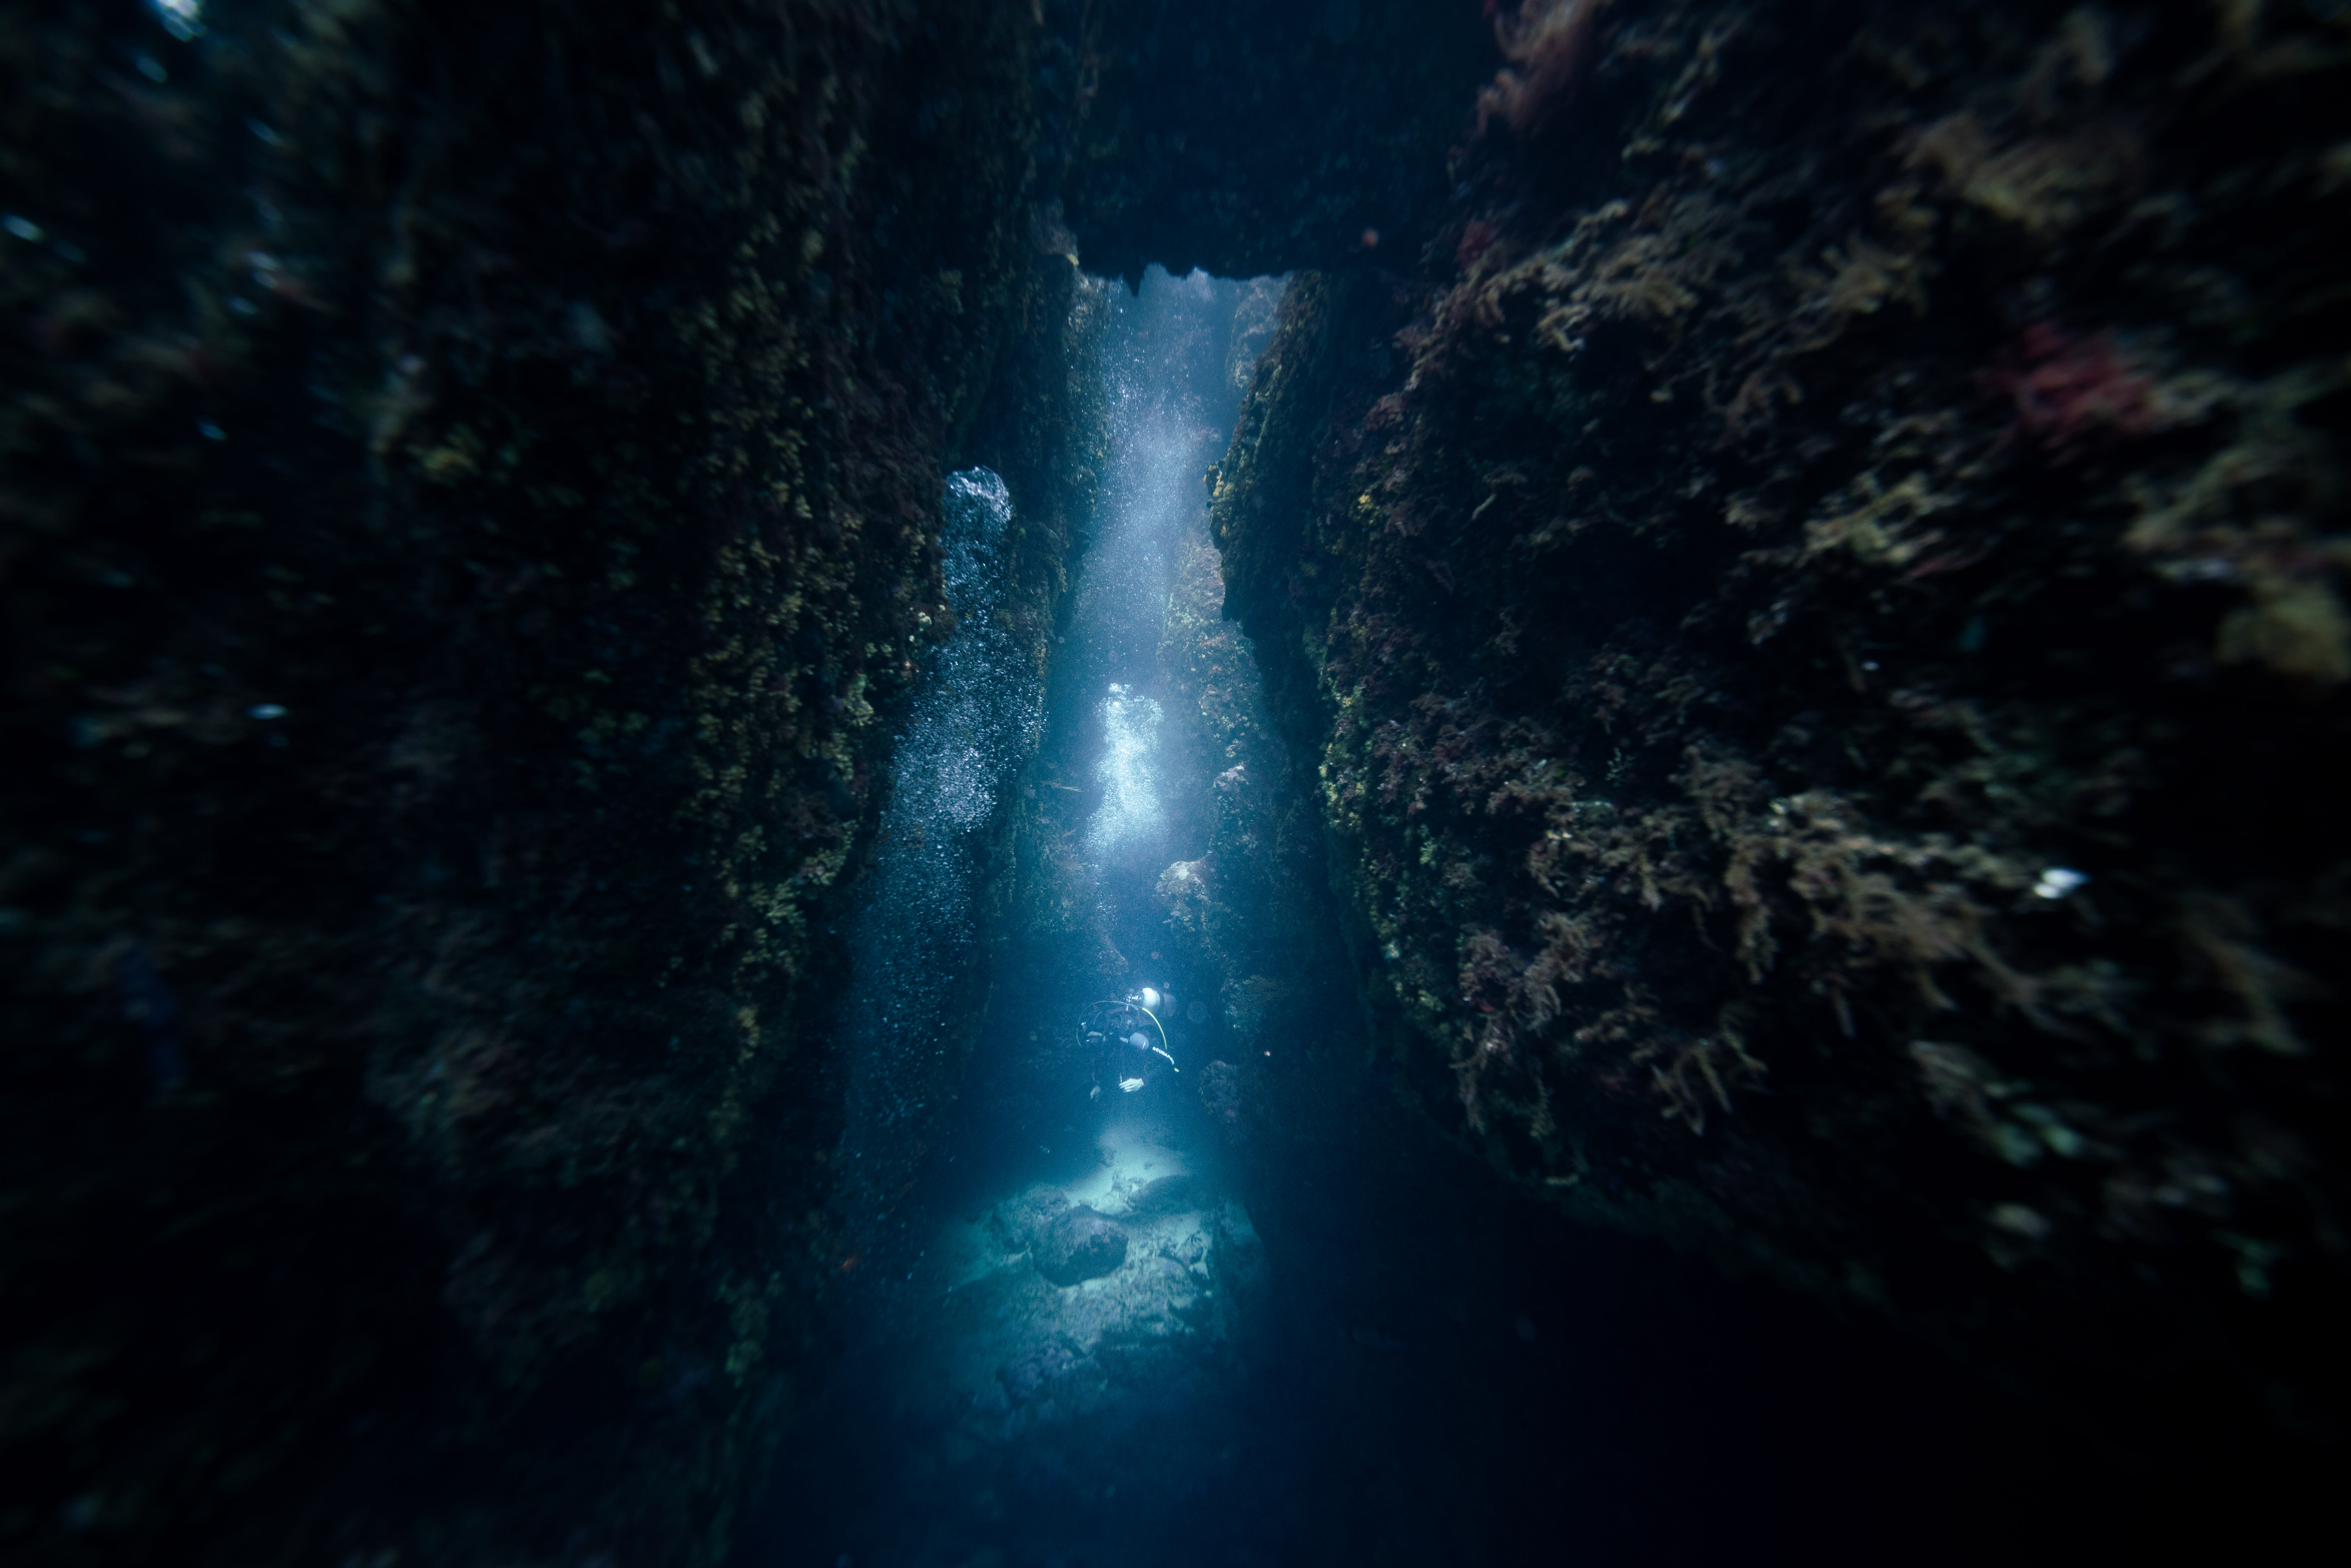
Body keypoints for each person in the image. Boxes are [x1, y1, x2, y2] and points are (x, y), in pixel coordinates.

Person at [1080, 990, 1178, 1100]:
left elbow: (1170, 1061)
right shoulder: (1107, 1038)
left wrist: (1142, 1082)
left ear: (1105, 1032)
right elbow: (1106, 1061)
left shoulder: (1135, 1039)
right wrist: (1100, 1085)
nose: (1093, 1044)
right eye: (1090, 1041)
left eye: (1095, 1040)